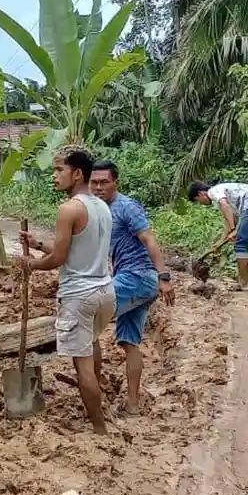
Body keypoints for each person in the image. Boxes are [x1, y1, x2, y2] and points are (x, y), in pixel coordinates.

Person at [20, 146, 114, 435]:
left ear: (77, 173)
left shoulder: (69, 209)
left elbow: (59, 259)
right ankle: (97, 405)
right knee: (93, 344)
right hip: (104, 291)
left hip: (79, 296)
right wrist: (37, 245)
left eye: (59, 169)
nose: (54, 175)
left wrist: (31, 265)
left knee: (82, 364)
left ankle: (99, 429)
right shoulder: (101, 206)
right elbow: (71, 251)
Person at [90, 159, 175, 416]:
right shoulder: (98, 210)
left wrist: (164, 277)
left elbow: (149, 239)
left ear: (116, 182)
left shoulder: (126, 207)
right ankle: (133, 404)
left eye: (104, 182)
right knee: (129, 343)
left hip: (137, 277)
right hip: (134, 280)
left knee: (88, 320)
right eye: (94, 182)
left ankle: (95, 385)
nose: (99, 187)